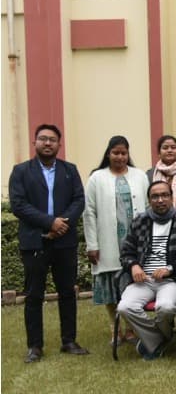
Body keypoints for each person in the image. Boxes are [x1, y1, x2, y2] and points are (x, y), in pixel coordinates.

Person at [8, 124, 89, 362]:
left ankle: (69, 341)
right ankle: (35, 346)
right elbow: (18, 205)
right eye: (43, 139)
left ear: (59, 145)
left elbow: (78, 201)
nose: (47, 143)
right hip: (35, 241)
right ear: (35, 143)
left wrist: (61, 225)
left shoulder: (69, 170)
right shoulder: (21, 171)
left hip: (65, 242)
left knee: (67, 292)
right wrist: (49, 223)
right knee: (34, 295)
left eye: (52, 140)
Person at [116, 180, 176, 360]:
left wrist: (170, 268)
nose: (160, 200)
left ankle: (153, 340)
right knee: (125, 307)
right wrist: (134, 265)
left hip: (171, 280)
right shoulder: (140, 221)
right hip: (143, 280)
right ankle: (160, 338)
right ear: (149, 200)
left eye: (165, 195)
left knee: (166, 307)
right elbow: (126, 252)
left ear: (172, 197)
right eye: (155, 196)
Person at [84, 135, 150, 345]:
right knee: (111, 288)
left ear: (128, 154)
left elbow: (149, 209)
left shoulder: (140, 176)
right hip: (108, 242)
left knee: (133, 285)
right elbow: (89, 212)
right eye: (116, 153)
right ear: (108, 154)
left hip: (136, 243)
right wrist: (92, 244)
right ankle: (116, 329)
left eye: (124, 153)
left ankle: (131, 329)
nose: (120, 157)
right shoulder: (97, 178)